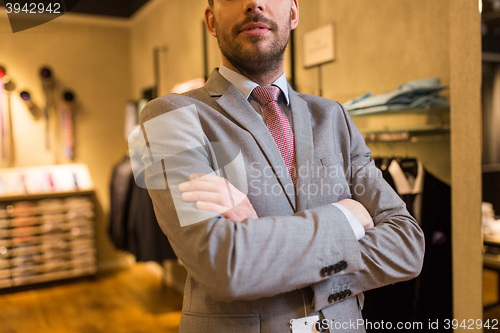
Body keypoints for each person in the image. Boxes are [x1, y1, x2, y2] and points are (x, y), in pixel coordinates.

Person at [138, 0, 425, 332]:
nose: (254, 3)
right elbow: (225, 263)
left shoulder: (334, 117)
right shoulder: (167, 117)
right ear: (211, 21)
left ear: (293, 12)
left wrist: (262, 247)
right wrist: (347, 218)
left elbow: (407, 246)